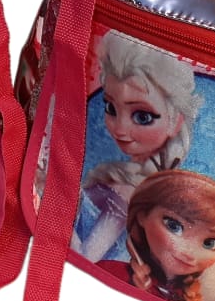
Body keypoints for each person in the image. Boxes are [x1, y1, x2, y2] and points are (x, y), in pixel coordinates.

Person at [73, 30, 199, 261]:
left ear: (176, 121)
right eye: (111, 108)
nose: (120, 129)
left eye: (143, 116)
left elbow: (85, 256)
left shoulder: (126, 193)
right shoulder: (129, 178)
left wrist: (52, 201)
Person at [98, 170, 215, 301]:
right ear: (143, 215)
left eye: (209, 243)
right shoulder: (110, 273)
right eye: (174, 226)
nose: (189, 252)